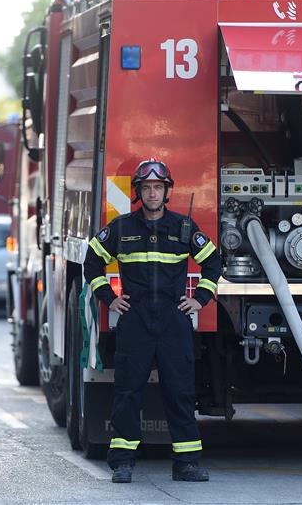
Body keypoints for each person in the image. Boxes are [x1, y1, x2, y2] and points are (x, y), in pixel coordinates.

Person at [83, 159, 221, 484]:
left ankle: (186, 464)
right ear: (138, 192)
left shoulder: (183, 228)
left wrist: (199, 299)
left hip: (174, 320)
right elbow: (91, 263)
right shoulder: (120, 228)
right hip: (135, 320)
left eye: (158, 187)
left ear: (167, 191)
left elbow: (213, 262)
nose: (153, 193)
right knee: (128, 392)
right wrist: (109, 298)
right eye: (146, 188)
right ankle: (122, 463)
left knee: (180, 392)